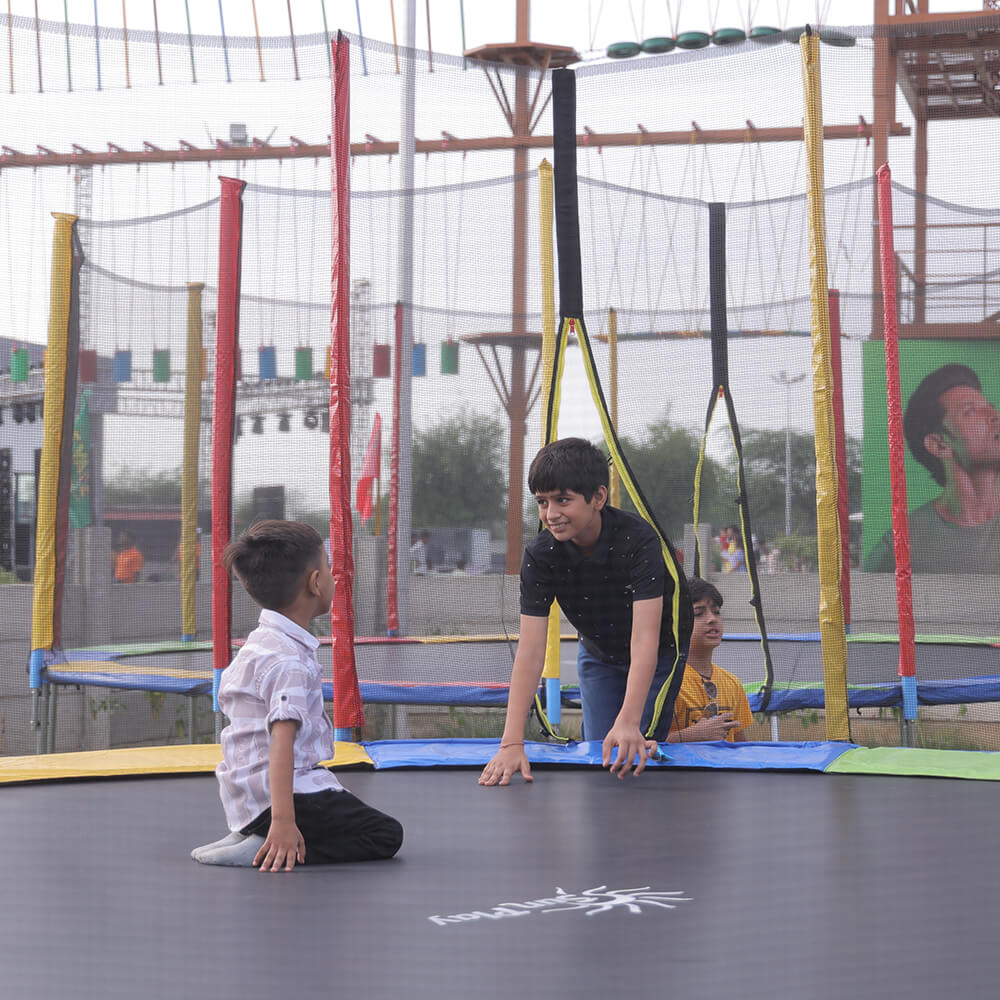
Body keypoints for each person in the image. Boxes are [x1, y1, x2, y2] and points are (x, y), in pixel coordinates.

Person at [478, 437, 692, 786]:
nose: (551, 514)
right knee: (600, 752)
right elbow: (530, 652)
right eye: (542, 502)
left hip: (661, 650)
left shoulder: (639, 542)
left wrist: (629, 720)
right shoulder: (541, 555)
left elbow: (645, 640)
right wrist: (511, 742)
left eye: (563, 500)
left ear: (598, 498)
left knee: (637, 746)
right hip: (598, 650)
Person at [192, 519, 403, 870]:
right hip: (278, 800)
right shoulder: (288, 661)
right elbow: (281, 742)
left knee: (338, 799)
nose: (333, 577)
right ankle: (267, 847)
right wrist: (283, 823)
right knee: (385, 834)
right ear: (315, 583)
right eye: (328, 568)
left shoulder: (259, 643)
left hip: (242, 797)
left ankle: (247, 833)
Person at [863, 364, 1000, 573]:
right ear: (939, 445)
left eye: (991, 407)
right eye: (971, 411)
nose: (994, 416)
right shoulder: (901, 546)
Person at [666, 578, 753, 743]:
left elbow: (742, 745)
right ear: (675, 623)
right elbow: (645, 744)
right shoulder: (665, 681)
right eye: (699, 613)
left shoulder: (732, 683)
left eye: (716, 611)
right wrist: (693, 735)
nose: (712, 619)